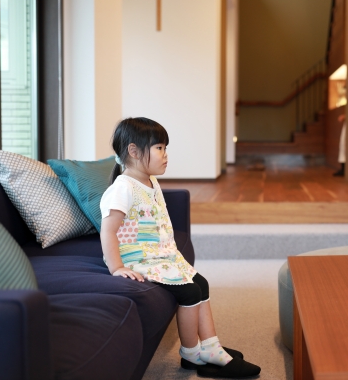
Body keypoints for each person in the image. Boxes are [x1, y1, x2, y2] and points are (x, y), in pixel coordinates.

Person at [100, 117, 260, 379]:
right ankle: (191, 352)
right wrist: (117, 267)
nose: (165, 155)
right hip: (139, 260)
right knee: (188, 292)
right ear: (133, 151)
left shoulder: (150, 182)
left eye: (165, 148)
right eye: (160, 148)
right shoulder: (123, 188)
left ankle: (210, 347)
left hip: (161, 256)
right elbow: (108, 230)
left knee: (202, 283)